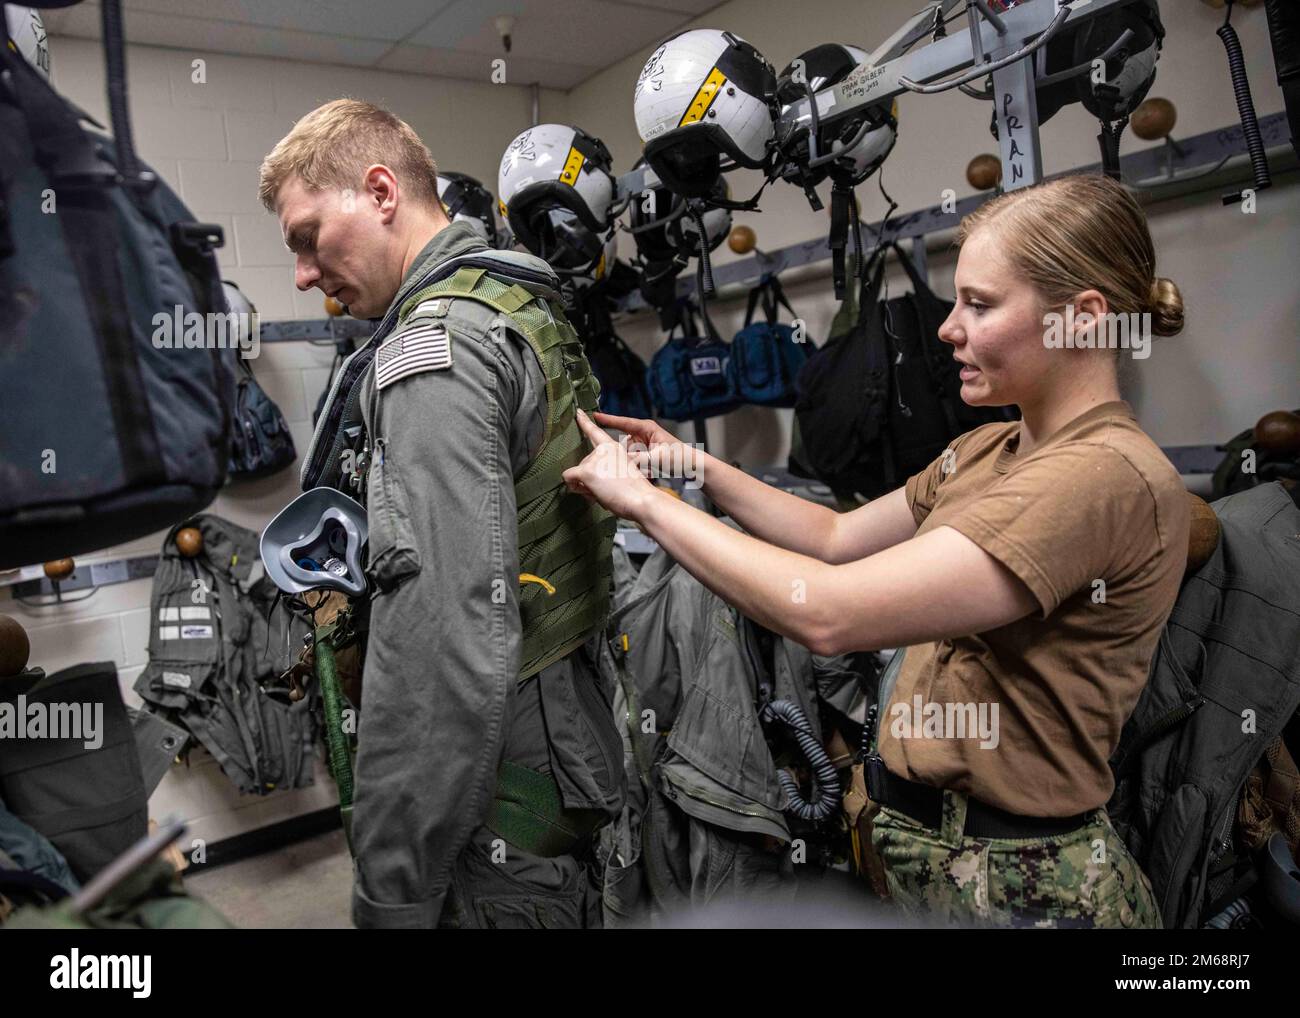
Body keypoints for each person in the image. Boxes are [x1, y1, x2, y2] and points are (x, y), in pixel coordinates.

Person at [564, 173, 1190, 929]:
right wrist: (686, 467)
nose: (948, 328)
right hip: (929, 862)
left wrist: (641, 502)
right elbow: (834, 540)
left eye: (980, 305)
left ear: (1083, 319)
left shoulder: (1099, 476)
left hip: (1026, 888)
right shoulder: (990, 448)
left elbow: (828, 613)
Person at [258, 99, 624, 929]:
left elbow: (441, 637)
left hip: (495, 780)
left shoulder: (437, 352)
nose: (304, 276)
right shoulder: (511, 301)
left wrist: (392, 881)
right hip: (557, 737)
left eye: (307, 236)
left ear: (381, 191)